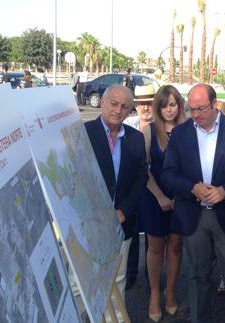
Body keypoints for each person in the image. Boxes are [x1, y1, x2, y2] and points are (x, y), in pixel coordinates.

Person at [161, 83, 225, 323]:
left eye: (201, 109)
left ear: (215, 104)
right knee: (197, 276)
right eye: (192, 109)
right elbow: (168, 174)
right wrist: (192, 187)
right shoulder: (181, 133)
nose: (196, 115)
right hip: (194, 216)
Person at [84, 84, 148, 316]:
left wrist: (123, 211)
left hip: (121, 223)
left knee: (116, 283)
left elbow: (141, 179)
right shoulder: (82, 132)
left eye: (124, 106)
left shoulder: (136, 139)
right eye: (113, 103)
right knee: (79, 283)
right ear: (102, 102)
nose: (118, 110)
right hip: (87, 223)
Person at [141, 85, 187, 322]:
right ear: (157, 107)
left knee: (176, 246)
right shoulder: (149, 131)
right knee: (155, 247)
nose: (169, 109)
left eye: (173, 104)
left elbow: (193, 168)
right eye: (164, 105)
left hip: (181, 200)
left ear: (179, 104)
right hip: (155, 199)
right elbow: (144, 169)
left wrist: (181, 196)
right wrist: (159, 196)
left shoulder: (189, 130)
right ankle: (154, 294)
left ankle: (170, 292)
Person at [122, 84, 156, 292]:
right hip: (133, 186)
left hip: (155, 188)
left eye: (149, 103)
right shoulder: (128, 124)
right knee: (132, 231)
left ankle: (151, 276)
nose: (145, 107)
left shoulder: (162, 125)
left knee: (152, 236)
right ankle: (130, 273)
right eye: (141, 103)